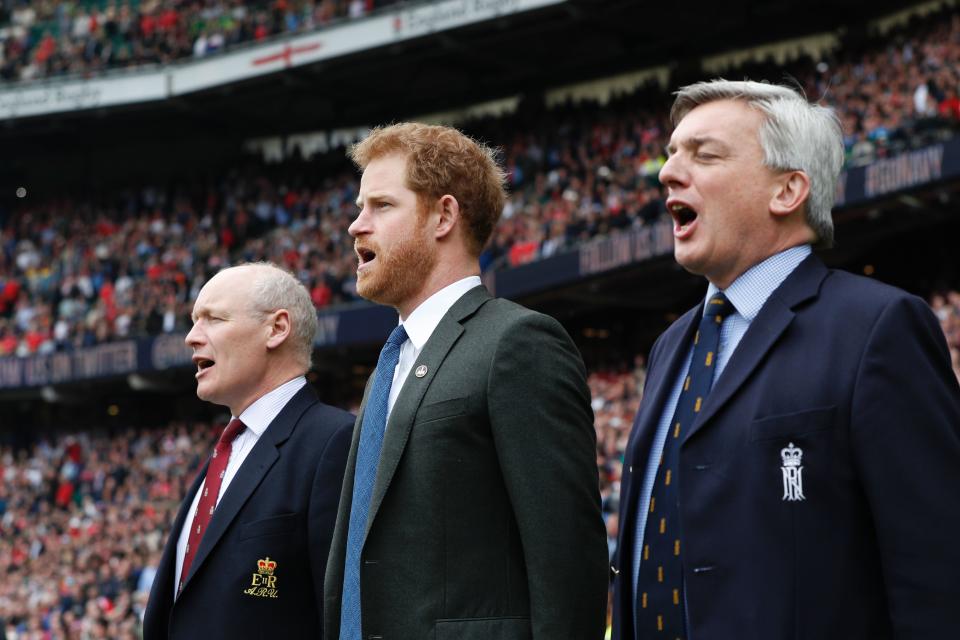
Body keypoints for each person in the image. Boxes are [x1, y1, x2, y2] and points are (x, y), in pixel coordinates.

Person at [611, 79, 960, 639]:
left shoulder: (878, 329)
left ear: (787, 190)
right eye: (672, 153)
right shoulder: (671, 347)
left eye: (704, 155)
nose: (668, 173)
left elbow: (938, 579)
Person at [324, 122, 608, 640]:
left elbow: (567, 559)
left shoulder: (518, 343)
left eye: (381, 206)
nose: (355, 226)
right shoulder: (386, 369)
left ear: (444, 216)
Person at [143, 262, 354, 639]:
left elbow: (342, 616)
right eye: (194, 320)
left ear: (276, 329)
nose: (192, 336)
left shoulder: (334, 442)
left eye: (213, 319)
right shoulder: (226, 452)